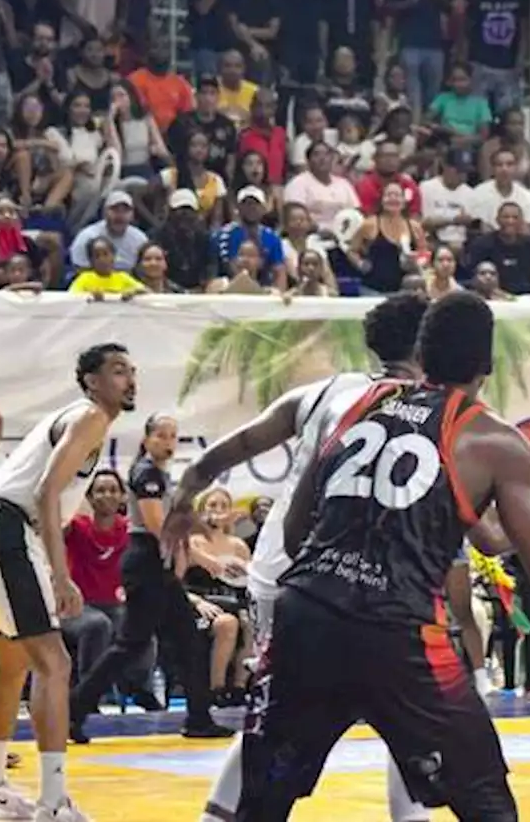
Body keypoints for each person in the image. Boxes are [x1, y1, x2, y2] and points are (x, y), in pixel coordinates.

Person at [236, 292, 530, 821]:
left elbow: (295, 537)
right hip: (397, 633)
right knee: (487, 802)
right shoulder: (492, 437)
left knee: (261, 803)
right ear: (488, 365)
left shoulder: (354, 405)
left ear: (421, 357)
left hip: (305, 617)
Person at [160, 293, 436, 822]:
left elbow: (233, 448)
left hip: (278, 574)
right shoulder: (423, 405)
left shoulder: (324, 391)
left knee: (276, 707)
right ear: (428, 345)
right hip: (347, 576)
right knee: (407, 707)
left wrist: (185, 495)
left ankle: (217, 816)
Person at [0, 342, 138, 821]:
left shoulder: (86, 420)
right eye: (117, 371)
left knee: (13, 661)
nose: (129, 379)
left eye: (132, 371)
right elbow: (46, 492)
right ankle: (53, 803)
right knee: (54, 664)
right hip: (9, 528)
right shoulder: (90, 416)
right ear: (92, 380)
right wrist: (60, 573)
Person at [69, 413, 232, 745]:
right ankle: (74, 708)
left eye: (173, 436)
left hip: (159, 564)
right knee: (130, 645)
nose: (169, 442)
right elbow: (158, 526)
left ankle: (199, 718)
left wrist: (196, 537)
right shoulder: (146, 474)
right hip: (146, 563)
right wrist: (200, 556)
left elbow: (178, 520)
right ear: (146, 439)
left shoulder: (161, 475)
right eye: (161, 435)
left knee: (188, 640)